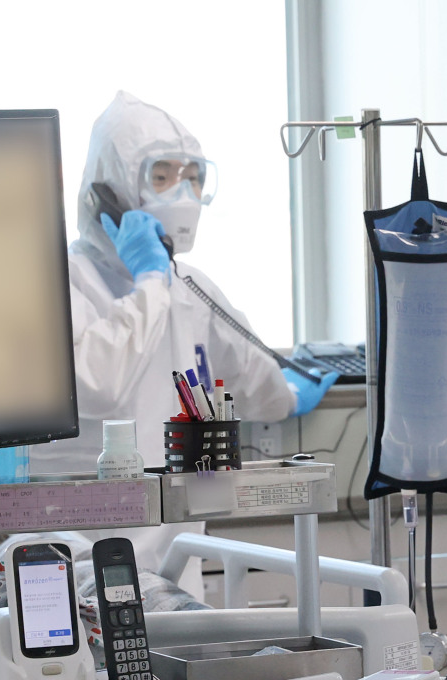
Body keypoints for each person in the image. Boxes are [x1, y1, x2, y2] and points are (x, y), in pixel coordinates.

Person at [30, 91, 337, 590]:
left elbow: (253, 374)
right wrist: (150, 279)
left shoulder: (188, 287)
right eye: (161, 177)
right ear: (107, 192)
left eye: (191, 176)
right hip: (73, 569)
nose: (182, 194)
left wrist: (288, 395)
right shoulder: (61, 282)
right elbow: (96, 384)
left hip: (173, 571)